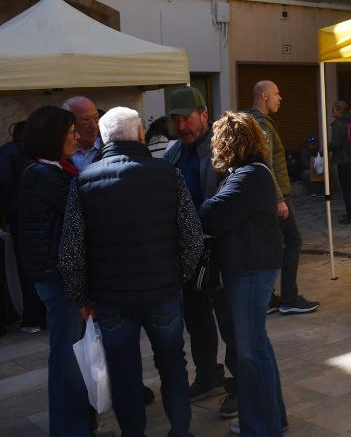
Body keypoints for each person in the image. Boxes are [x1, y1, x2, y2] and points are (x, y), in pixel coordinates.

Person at [58, 107, 203, 437]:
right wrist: (178, 277)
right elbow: (193, 238)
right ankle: (181, 431)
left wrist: (82, 297)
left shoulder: (83, 182)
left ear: (105, 138)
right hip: (163, 293)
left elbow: (69, 254)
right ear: (140, 135)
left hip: (111, 299)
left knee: (124, 373)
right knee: (173, 365)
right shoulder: (168, 174)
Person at [200, 111, 288, 436]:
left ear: (228, 143)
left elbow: (211, 215)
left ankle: (261, 425)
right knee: (257, 347)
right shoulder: (252, 173)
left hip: (251, 268)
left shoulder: (248, 176)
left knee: (250, 351)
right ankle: (272, 418)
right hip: (254, 265)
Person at [17, 106, 93, 436]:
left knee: (67, 355)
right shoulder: (45, 176)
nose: (77, 136)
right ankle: (71, 429)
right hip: (61, 279)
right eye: (71, 131)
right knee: (69, 359)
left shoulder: (48, 171)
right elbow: (79, 219)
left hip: (55, 276)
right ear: (54, 137)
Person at [164, 86, 238, 416]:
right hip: (187, 253)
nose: (181, 126)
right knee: (197, 320)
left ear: (204, 115)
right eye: (176, 120)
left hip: (220, 249)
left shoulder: (224, 148)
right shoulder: (172, 153)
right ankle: (209, 375)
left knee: (230, 320)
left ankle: (239, 385)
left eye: (187, 118)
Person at [246, 80, 319, 315]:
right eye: (277, 93)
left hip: (261, 196)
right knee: (293, 241)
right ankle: (289, 297)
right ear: (265, 96)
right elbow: (266, 164)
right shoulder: (262, 125)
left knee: (268, 244)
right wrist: (279, 199)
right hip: (275, 196)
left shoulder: (251, 122)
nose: (281, 98)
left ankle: (267, 298)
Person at [0, 119, 47, 334]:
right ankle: (42, 315)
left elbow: (2, 182)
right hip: (44, 215)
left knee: (26, 268)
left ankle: (32, 317)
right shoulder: (41, 150)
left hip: (20, 218)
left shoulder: (10, 151)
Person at [329, 100, 351, 225]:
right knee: (348, 187)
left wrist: (326, 147)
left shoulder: (338, 124)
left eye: (333, 109)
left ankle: (350, 216)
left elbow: (336, 144)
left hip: (344, 160)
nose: (332, 111)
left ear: (339, 110)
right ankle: (350, 213)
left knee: (346, 188)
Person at [62, 96, 102, 171]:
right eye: (86, 120)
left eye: (96, 118)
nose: (94, 126)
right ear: (69, 122)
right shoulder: (56, 154)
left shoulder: (109, 148)